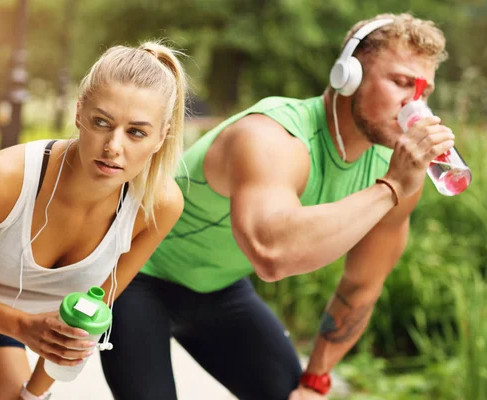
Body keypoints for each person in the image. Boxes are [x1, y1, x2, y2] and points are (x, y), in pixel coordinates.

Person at [100, 13, 452, 400]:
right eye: (401, 82)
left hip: (219, 290)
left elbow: (362, 283)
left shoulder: (395, 172)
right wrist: (391, 188)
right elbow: (272, 254)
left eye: (423, 90)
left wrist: (316, 380)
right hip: (136, 276)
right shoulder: (272, 136)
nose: (413, 103)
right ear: (346, 75)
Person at [0, 41, 187, 400]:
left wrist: (33, 394)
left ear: (161, 137)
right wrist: (23, 326)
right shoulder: (1, 179)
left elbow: (84, 321)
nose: (113, 146)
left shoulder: (158, 206)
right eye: (101, 122)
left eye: (136, 132)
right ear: (79, 113)